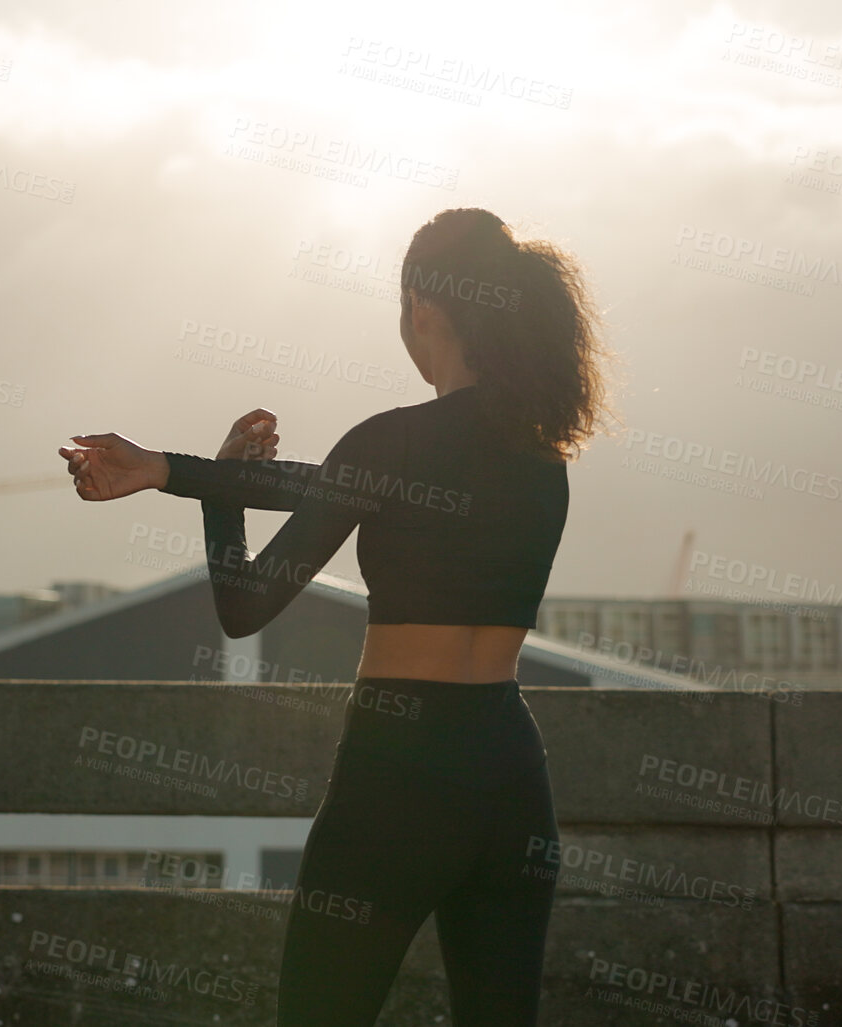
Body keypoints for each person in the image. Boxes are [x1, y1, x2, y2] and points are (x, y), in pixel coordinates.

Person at [56, 207, 614, 1026]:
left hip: (400, 769)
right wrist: (187, 471)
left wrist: (209, 489)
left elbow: (244, 606)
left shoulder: (390, 443)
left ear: (422, 307)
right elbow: (338, 483)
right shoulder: (542, 457)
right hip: (510, 771)